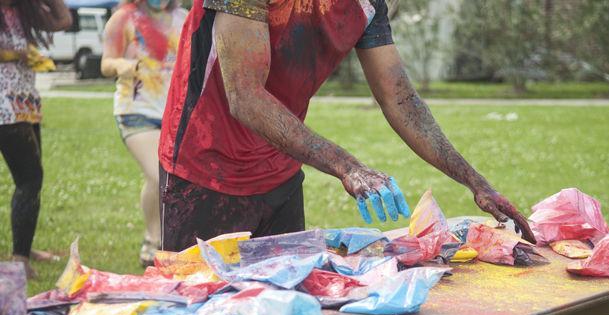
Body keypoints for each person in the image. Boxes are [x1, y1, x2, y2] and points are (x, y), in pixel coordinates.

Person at [159, 0, 537, 254]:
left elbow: (400, 99)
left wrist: (476, 184)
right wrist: (348, 166)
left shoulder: (368, 4)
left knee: (279, 312)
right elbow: (246, 97)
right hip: (202, 169)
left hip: (281, 170)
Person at [101, 0, 187, 266]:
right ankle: (155, 241)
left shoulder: (183, 18)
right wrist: (121, 66)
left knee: (160, 177)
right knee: (159, 172)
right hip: (135, 111)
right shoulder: (124, 18)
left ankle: (158, 239)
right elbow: (105, 64)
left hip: (175, 112)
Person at [0, 0, 72, 278]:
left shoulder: (21, 10)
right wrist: (12, 54)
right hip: (4, 109)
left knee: (30, 179)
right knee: (30, 178)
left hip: (23, 102)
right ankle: (19, 260)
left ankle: (24, 248)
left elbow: (63, 20)